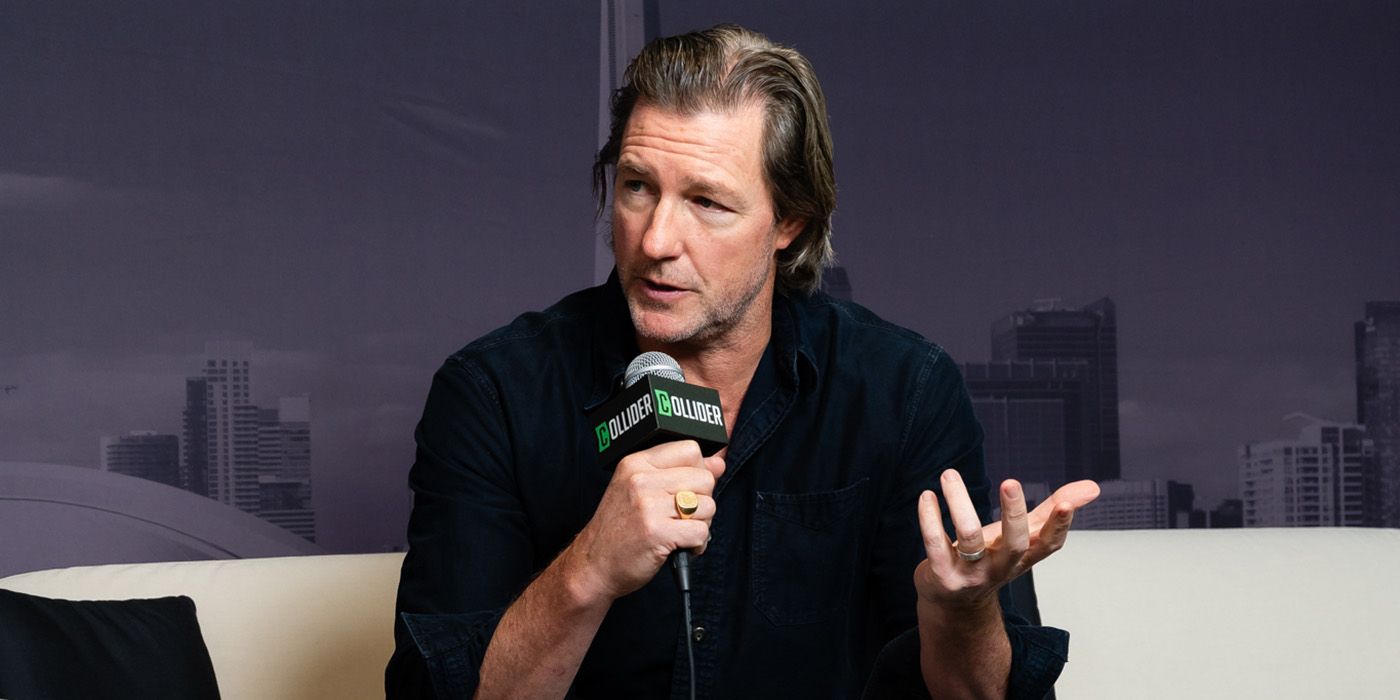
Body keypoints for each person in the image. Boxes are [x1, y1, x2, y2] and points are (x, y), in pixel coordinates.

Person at [387, 24, 1099, 699]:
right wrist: (588, 570)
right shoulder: (494, 394)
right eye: (638, 187)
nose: (656, 239)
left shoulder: (901, 391)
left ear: (789, 222)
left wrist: (964, 614)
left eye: (706, 202)